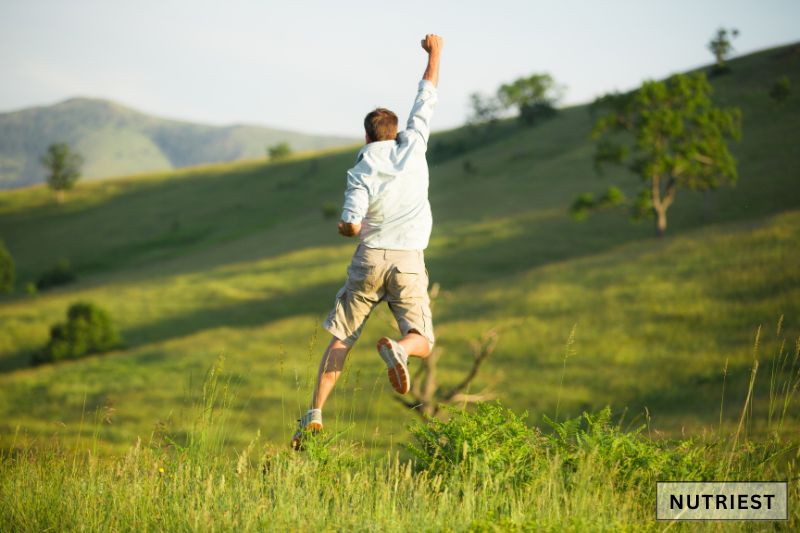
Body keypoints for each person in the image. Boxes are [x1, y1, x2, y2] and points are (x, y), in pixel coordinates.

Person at [292, 33, 443, 448]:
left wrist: (345, 228)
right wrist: (435, 54)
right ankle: (400, 347)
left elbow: (351, 225)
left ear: (366, 137)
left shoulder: (360, 169)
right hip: (409, 259)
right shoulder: (413, 147)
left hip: (370, 258)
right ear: (395, 133)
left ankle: (315, 412)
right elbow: (426, 97)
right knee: (424, 341)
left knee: (343, 337)